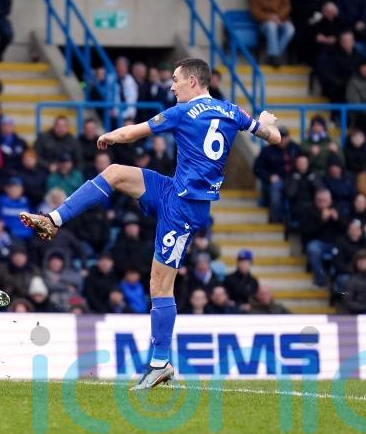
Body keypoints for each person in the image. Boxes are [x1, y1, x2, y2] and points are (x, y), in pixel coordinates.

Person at [19, 58, 281, 390]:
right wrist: (264, 121)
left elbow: (132, 132)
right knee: (114, 173)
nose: (171, 86)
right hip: (173, 189)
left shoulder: (182, 112)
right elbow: (273, 137)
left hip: (184, 209)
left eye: (175, 80)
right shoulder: (233, 111)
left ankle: (159, 365)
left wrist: (108, 136)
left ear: (192, 82)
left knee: (159, 286)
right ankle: (54, 219)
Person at [248, 0, 294, 67]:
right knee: (271, 26)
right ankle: (274, 56)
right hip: (264, 23)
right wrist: (270, 17)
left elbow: (287, 6)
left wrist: (278, 17)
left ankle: (274, 55)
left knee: (290, 29)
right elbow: (255, 12)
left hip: (281, 20)